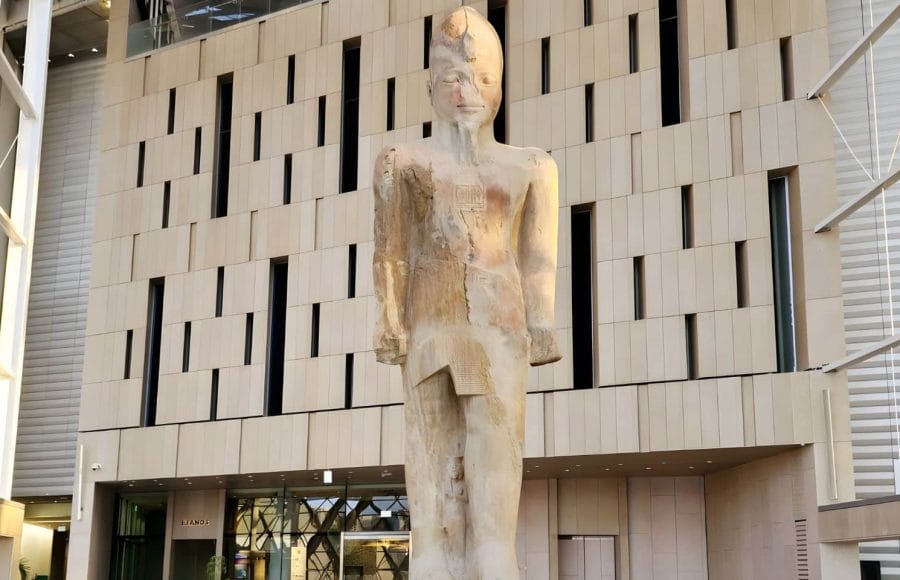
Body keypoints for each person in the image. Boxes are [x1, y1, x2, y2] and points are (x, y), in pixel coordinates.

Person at [372, 7, 561, 578]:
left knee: (495, 442)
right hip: (429, 319)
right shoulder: (402, 162)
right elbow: (391, 249)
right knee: (428, 445)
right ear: (430, 83)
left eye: (481, 78)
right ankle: (431, 554)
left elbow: (538, 259)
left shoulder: (531, 167)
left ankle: (493, 554)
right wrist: (387, 318)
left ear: (499, 86)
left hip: (499, 323)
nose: (466, 91)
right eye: (452, 77)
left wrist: (543, 323)